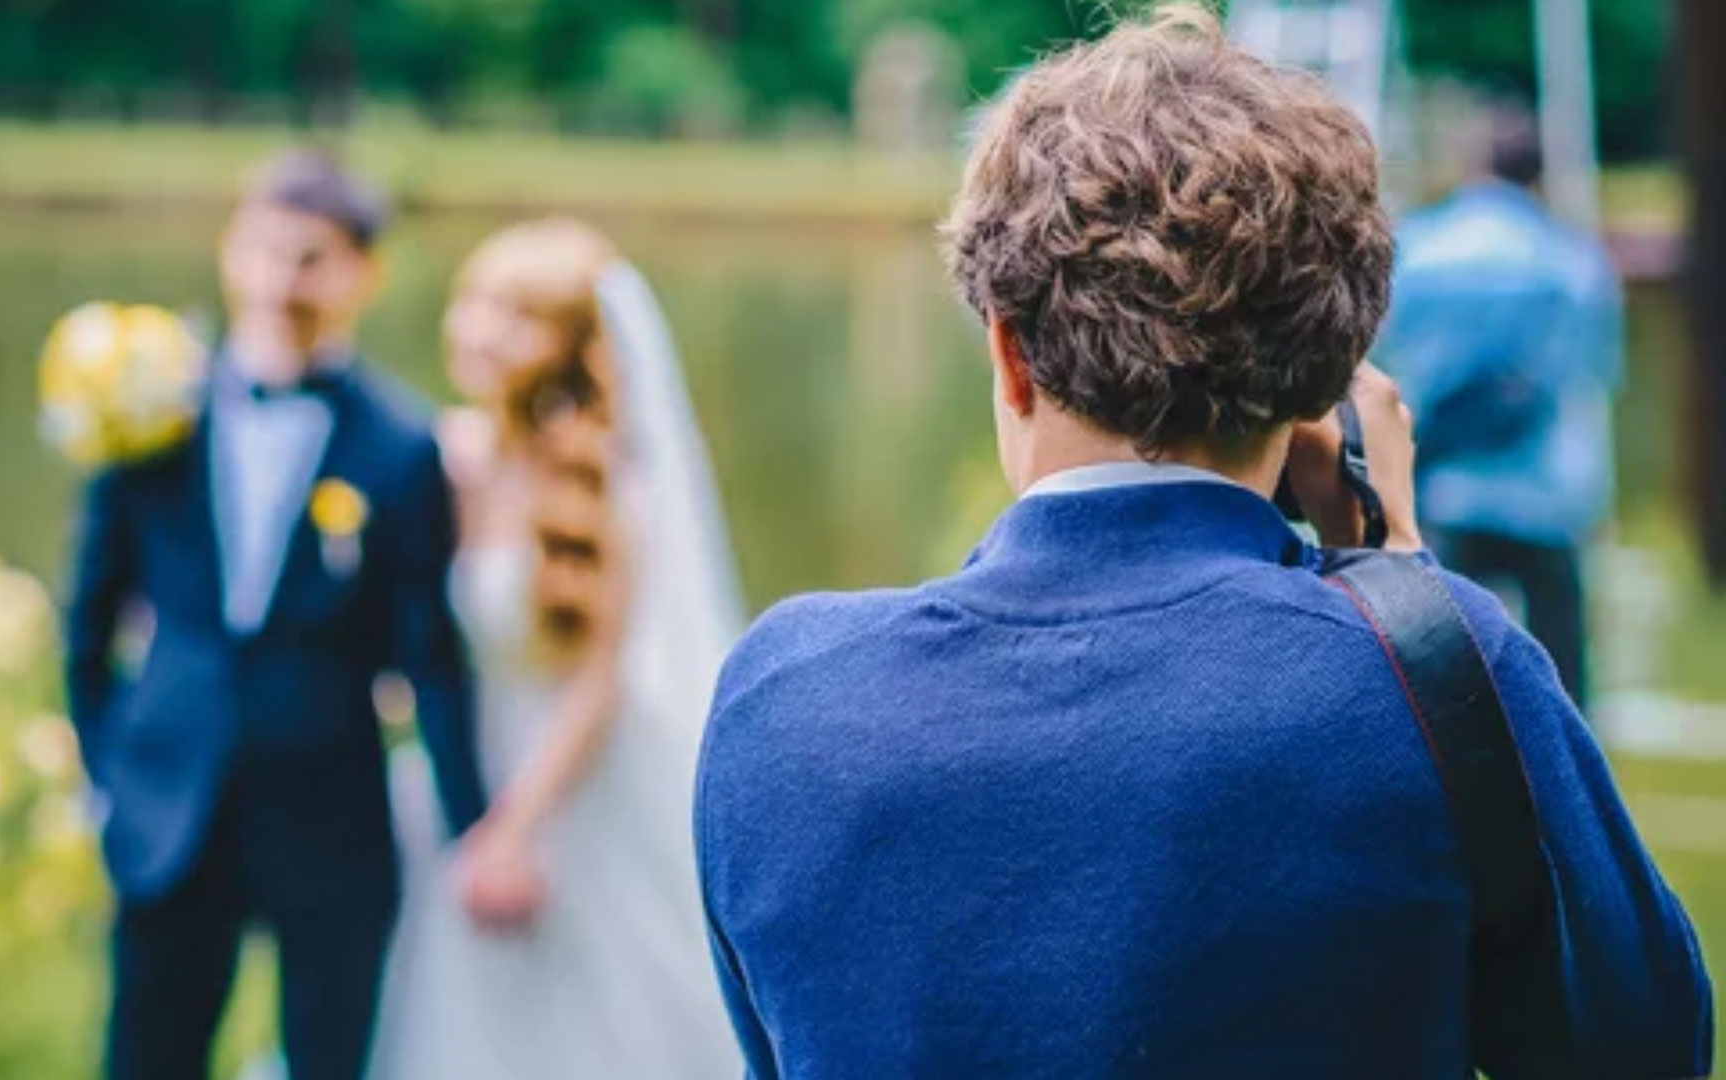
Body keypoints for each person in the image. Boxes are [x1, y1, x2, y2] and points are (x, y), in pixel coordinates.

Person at [695, 7, 1712, 1078]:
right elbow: (1642, 1046)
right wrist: (1397, 568)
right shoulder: (1439, 674)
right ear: (1331, 383)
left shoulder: (782, 695)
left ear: (1008, 352)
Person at [63, 150, 487, 1080]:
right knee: (144, 1057)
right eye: (262, 251)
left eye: (311, 258)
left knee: (332, 1060)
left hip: (329, 810)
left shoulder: (403, 446)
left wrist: (475, 826)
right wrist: (108, 769)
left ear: (362, 275)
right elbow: (87, 615)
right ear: (228, 252)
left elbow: (429, 652)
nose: (280, 280)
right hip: (170, 802)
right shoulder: (147, 410)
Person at [368, 219, 743, 1078]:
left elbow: (600, 683)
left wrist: (514, 829)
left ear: (577, 348)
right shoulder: (440, 460)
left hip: (577, 785)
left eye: (520, 315)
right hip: (464, 770)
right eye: (476, 304)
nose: (482, 331)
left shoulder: (609, 491)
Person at [1379, 104, 1625, 707]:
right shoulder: (1572, 259)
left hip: (1444, 485)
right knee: (1565, 682)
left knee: (1437, 681)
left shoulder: (1420, 248)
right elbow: (1595, 375)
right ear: (1537, 175)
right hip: (1546, 493)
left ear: (1471, 167)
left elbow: (1384, 357)